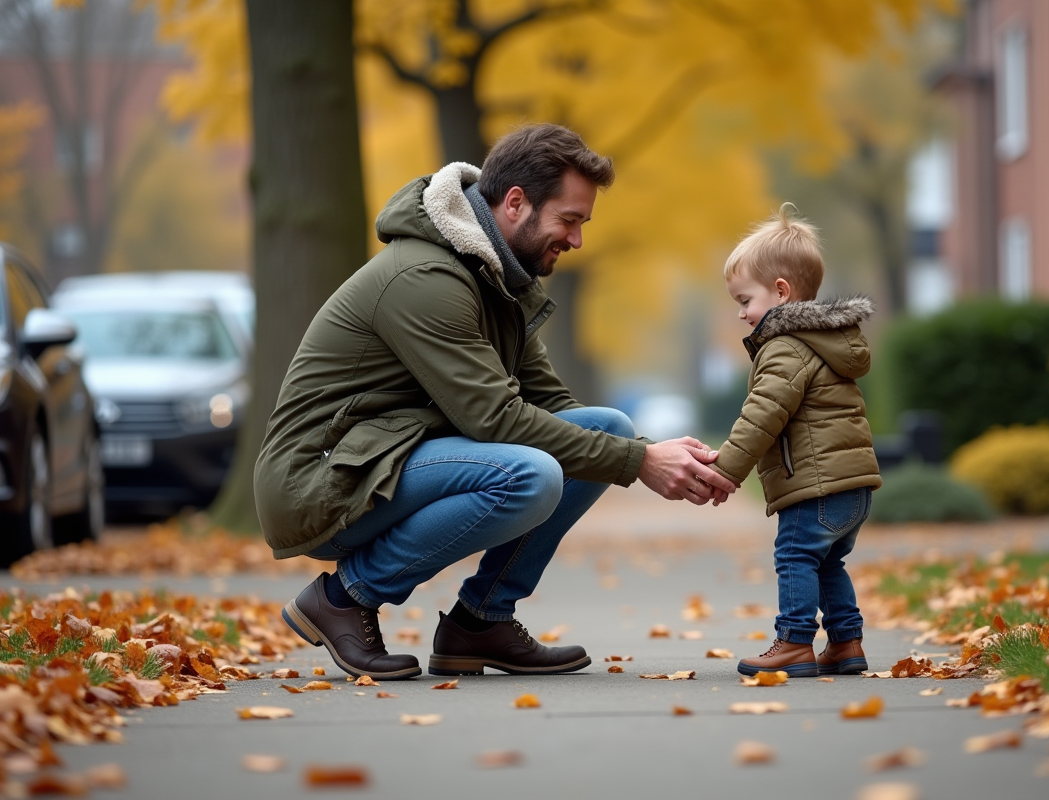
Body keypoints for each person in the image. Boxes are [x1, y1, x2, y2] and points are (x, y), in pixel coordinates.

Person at [253, 123, 736, 681]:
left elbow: (552, 405)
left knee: (611, 427)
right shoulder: (426, 278)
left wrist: (653, 453)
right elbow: (495, 418)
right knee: (530, 475)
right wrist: (642, 465)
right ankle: (344, 597)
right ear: (514, 204)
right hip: (321, 480)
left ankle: (480, 621)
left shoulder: (497, 277)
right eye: (570, 220)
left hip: (385, 459)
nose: (577, 240)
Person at [708, 204, 881, 678]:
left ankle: (794, 642)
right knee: (828, 566)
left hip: (817, 484)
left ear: (780, 292)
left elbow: (762, 415)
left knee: (795, 557)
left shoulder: (785, 346)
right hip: (851, 484)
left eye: (745, 300)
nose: (741, 313)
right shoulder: (825, 341)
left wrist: (725, 470)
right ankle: (847, 644)